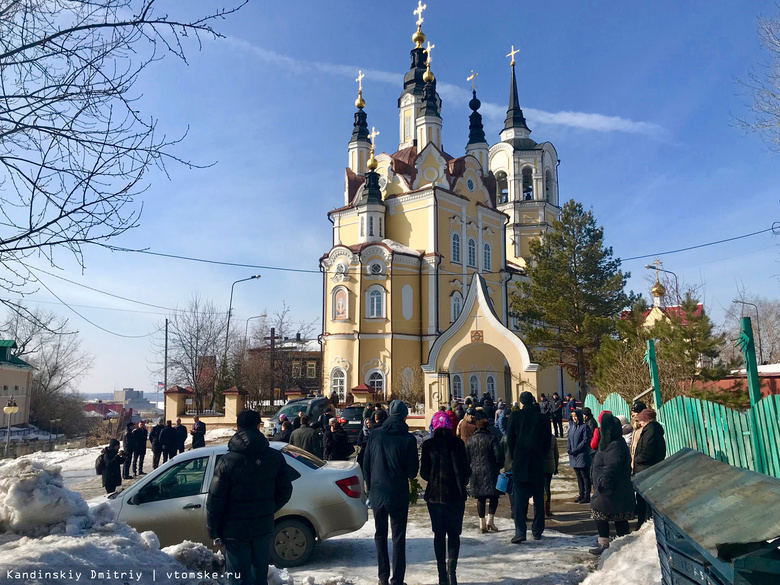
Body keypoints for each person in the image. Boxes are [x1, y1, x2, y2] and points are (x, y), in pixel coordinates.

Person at [206, 410, 299, 585]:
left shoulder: (227, 461)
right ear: (258, 427)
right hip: (262, 528)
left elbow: (215, 500)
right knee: (259, 576)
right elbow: (285, 491)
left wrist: (214, 531)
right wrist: (268, 509)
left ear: (237, 428)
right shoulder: (274, 457)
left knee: (239, 579)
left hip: (234, 531)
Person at [363, 400, 419, 585]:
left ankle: (383, 577)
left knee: (380, 535)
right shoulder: (408, 438)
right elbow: (412, 472)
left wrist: (370, 488)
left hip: (378, 492)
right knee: (398, 537)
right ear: (404, 416)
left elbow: (366, 464)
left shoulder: (375, 435)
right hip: (398, 493)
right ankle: (397, 580)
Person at [421, 411, 470, 585]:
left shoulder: (428, 445)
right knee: (454, 534)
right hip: (456, 495)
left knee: (439, 534)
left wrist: (435, 477)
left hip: (435, 497)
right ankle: (452, 573)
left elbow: (424, 473)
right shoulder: (458, 444)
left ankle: (442, 575)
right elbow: (466, 470)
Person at [505, 391, 551, 543]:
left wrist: (515, 455)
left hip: (520, 462)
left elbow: (510, 439)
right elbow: (547, 442)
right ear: (532, 401)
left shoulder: (515, 417)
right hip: (537, 462)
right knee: (538, 497)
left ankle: (520, 531)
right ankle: (537, 530)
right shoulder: (543, 418)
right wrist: (541, 455)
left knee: (519, 498)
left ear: (521, 402)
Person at [589, 412, 636, 555]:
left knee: (603, 514)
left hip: (611, 490)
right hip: (614, 490)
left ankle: (610, 545)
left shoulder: (615, 445)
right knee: (618, 517)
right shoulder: (613, 443)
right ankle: (620, 545)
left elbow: (611, 467)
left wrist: (603, 484)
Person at [466, 419, 502, 534]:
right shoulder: (492, 438)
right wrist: (498, 465)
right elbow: (498, 455)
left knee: (480, 498)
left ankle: (482, 523)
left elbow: (467, 457)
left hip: (475, 472)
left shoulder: (471, 440)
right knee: (494, 497)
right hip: (491, 470)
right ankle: (490, 520)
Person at [631, 408, 666, 529]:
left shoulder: (650, 432)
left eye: (641, 420)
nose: (639, 423)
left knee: (644, 501)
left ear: (646, 420)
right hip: (645, 468)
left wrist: (637, 459)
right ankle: (643, 522)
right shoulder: (650, 430)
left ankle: (644, 524)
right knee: (642, 500)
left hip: (645, 469)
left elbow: (648, 452)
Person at [567, 409, 593, 503]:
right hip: (574, 456)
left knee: (584, 475)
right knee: (578, 476)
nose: (574, 418)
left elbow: (585, 440)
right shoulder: (572, 428)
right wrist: (569, 449)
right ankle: (581, 494)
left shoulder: (584, 427)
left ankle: (587, 495)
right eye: (573, 416)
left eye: (576, 416)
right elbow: (569, 439)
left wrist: (576, 449)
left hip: (582, 454)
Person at [542, 430, 559, 518]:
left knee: (539, 488)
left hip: (539, 466)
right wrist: (556, 466)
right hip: (550, 465)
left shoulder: (537, 436)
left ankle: (540, 508)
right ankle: (547, 509)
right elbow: (556, 454)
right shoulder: (552, 438)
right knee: (547, 487)